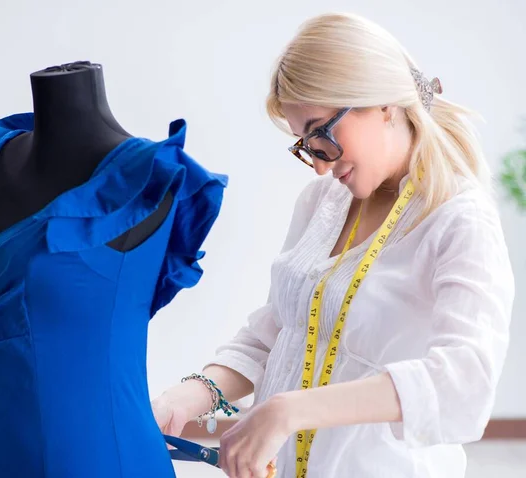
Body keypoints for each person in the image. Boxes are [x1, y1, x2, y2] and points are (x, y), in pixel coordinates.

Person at [152, 12, 514, 478]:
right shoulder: (322, 202)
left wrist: (291, 410)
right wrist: (190, 395)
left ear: (382, 102)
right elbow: (275, 332)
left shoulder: (459, 218)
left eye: (322, 131)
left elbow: (464, 384)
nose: (320, 164)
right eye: (305, 143)